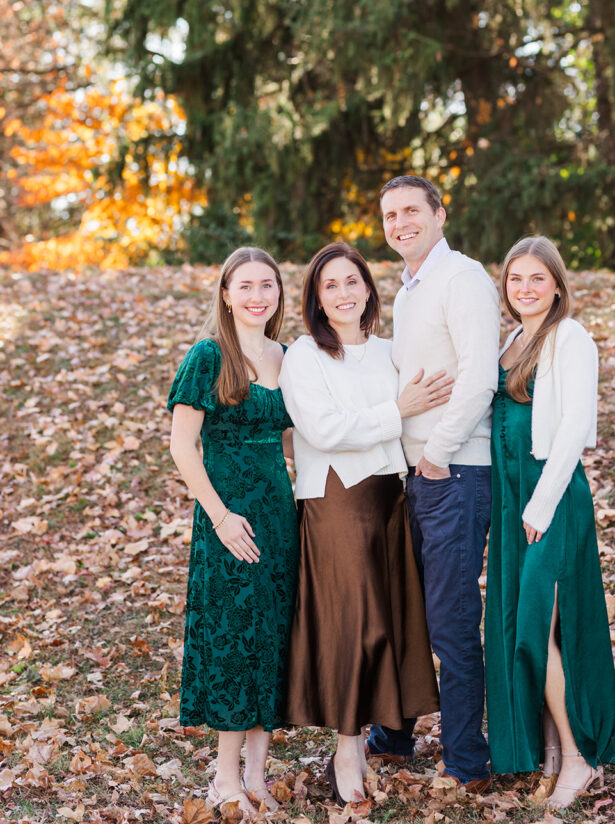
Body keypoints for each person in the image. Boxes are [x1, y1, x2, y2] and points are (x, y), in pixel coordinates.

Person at [278, 242, 447, 806]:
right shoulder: (305, 356)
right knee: (353, 624)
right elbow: (326, 430)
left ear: (369, 291)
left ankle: (386, 732)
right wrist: (396, 411)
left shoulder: (388, 352)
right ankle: (346, 748)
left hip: (390, 497)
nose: (344, 293)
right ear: (317, 300)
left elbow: (418, 411)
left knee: (388, 619)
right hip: (337, 499)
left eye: (353, 282)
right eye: (331, 286)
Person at [367, 176, 500, 793]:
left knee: (448, 619)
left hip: (455, 471)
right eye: (391, 215)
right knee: (407, 611)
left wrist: (440, 455)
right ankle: (393, 736)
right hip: (414, 475)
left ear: (439, 215)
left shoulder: (463, 277)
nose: (400, 223)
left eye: (411, 211)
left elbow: (480, 380)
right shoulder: (409, 290)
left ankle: (467, 760)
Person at [484, 236, 615, 808]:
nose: (526, 288)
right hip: (510, 498)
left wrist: (539, 507)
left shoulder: (571, 337)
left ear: (557, 284)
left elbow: (573, 430)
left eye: (537, 278)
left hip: (551, 498)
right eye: (516, 279)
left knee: (539, 626)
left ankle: (580, 757)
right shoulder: (512, 340)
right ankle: (552, 750)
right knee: (521, 625)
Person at [168, 246, 299, 820]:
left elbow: (296, 441)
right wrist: (220, 517)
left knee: (272, 635)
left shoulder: (291, 357)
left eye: (266, 286)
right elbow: (181, 446)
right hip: (227, 518)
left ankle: (255, 774)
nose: (256, 297)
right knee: (233, 636)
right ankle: (222, 779)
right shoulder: (207, 356)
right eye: (244, 286)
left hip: (277, 514)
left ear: (278, 293)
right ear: (226, 293)